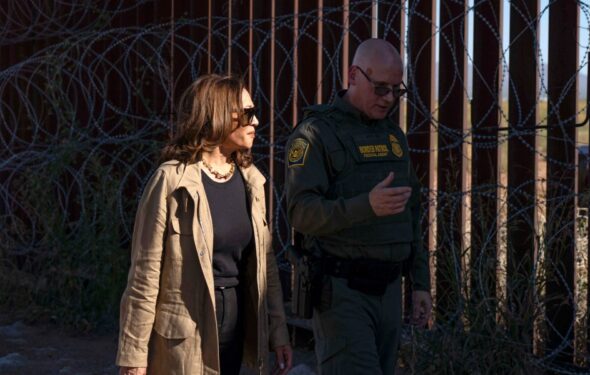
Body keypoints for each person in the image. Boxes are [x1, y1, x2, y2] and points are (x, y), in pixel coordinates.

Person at [116, 74, 292, 375]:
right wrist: (134, 358)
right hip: (186, 331)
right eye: (248, 113)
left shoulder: (252, 181)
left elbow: (266, 267)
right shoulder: (172, 182)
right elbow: (144, 274)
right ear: (219, 115)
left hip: (236, 321)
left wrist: (279, 334)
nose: (257, 121)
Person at [284, 38, 432, 374]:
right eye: (381, 89)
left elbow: (412, 216)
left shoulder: (394, 138)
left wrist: (420, 283)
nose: (389, 99)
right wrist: (365, 206)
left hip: (390, 293)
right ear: (353, 75)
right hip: (343, 294)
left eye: (397, 90)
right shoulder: (315, 135)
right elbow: (301, 212)